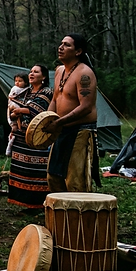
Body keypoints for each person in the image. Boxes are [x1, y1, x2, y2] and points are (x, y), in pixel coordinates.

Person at [46, 34, 100, 193]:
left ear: (78, 51)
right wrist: (48, 119)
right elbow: (55, 99)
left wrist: (59, 122)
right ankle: (61, 216)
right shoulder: (59, 71)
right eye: (61, 43)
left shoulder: (85, 74)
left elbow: (86, 107)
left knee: (75, 181)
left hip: (80, 131)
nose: (60, 47)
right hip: (61, 129)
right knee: (53, 177)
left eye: (67, 45)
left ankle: (79, 217)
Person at [8, 64, 53, 210]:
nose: (31, 74)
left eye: (36, 72)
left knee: (36, 169)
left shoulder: (46, 92)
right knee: (23, 169)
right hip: (21, 136)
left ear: (44, 76)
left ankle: (39, 204)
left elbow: (38, 109)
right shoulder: (25, 92)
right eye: (31, 71)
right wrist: (15, 114)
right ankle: (25, 202)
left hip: (37, 137)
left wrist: (20, 110)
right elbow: (12, 109)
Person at [6, 73, 30, 156]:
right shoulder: (15, 89)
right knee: (14, 125)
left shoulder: (28, 91)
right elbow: (11, 97)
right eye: (16, 81)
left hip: (23, 114)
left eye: (20, 81)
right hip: (13, 107)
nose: (17, 83)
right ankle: (9, 148)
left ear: (26, 82)